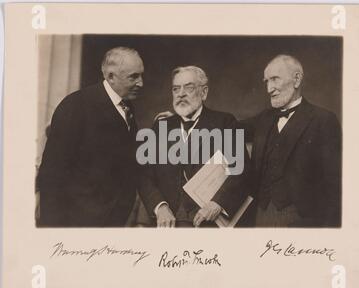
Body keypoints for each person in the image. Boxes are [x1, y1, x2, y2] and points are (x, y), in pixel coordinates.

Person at [37, 47, 144, 227]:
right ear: (111, 76)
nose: (141, 83)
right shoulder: (75, 106)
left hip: (112, 223)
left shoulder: (127, 108)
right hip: (75, 224)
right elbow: (52, 175)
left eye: (141, 75)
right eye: (134, 77)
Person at [138, 66, 248, 228]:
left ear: (203, 92)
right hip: (167, 224)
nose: (181, 93)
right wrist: (160, 206)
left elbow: (241, 170)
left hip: (208, 223)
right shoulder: (161, 126)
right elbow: (144, 174)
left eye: (188, 87)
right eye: (176, 89)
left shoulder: (224, 122)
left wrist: (217, 203)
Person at [245, 54, 341, 227]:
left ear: (296, 79)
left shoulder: (323, 120)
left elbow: (334, 184)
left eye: (274, 79)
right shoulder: (264, 119)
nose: (269, 88)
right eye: (266, 81)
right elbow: (227, 128)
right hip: (260, 215)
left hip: (303, 220)